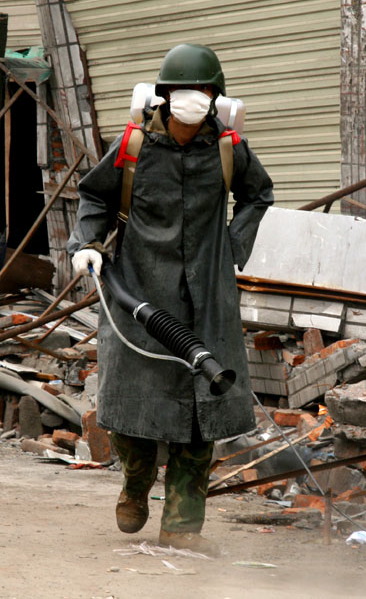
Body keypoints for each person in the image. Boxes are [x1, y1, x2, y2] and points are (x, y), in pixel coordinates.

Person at [67, 43, 274, 554]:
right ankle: (135, 487)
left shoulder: (227, 147)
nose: (192, 100)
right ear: (163, 96)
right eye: (183, 91)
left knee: (203, 413)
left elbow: (258, 195)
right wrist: (87, 245)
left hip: (208, 299)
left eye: (202, 91)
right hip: (138, 292)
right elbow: (95, 195)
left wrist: (231, 243)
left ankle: (182, 527)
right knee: (132, 404)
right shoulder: (135, 145)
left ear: (214, 97)